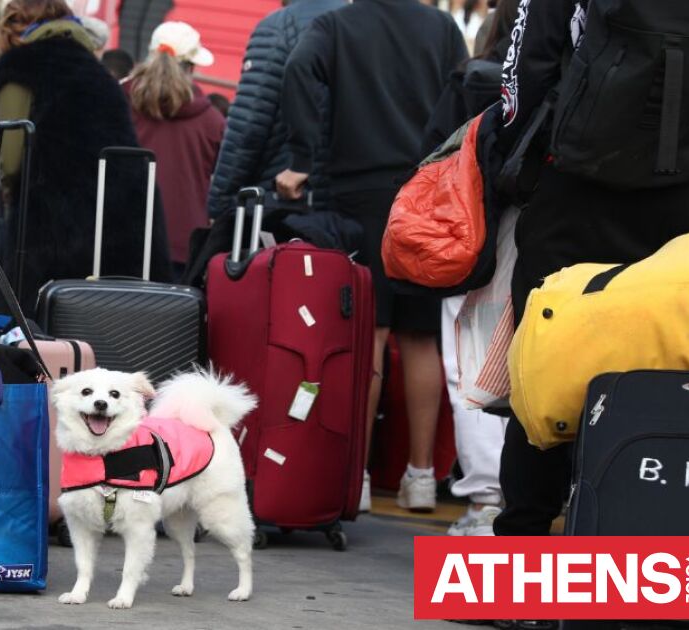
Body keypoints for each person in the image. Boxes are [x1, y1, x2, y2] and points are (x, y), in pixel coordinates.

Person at [491, 0, 689, 537]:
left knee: (547, 363)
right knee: (671, 373)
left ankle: (520, 557)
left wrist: (522, 164)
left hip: (576, 191)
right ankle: (648, 541)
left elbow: (521, 75)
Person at [277, 0, 468, 513]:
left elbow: (297, 68)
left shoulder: (336, 25)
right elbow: (467, 90)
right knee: (423, 339)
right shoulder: (442, 26)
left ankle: (355, 478)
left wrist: (300, 156)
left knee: (371, 337)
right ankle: (422, 476)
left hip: (359, 194)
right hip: (430, 189)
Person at [0, 0, 173, 314]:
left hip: (51, 229)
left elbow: (11, 156)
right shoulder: (100, 73)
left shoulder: (19, 67)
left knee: (37, 330)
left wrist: (5, 186)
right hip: (118, 225)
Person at [419, 0, 519, 537]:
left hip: (471, 240)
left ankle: (485, 501)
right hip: (544, 234)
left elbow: (430, 157)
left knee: (471, 369)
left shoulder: (473, 81)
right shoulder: (565, 78)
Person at [206, 0, 345, 223]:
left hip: (285, 201)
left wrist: (219, 200)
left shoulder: (281, 26)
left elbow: (248, 126)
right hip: (350, 205)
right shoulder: (365, 26)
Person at [125, 22, 224, 277]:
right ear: (191, 67)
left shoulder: (119, 100)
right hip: (184, 244)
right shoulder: (211, 120)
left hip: (122, 235)